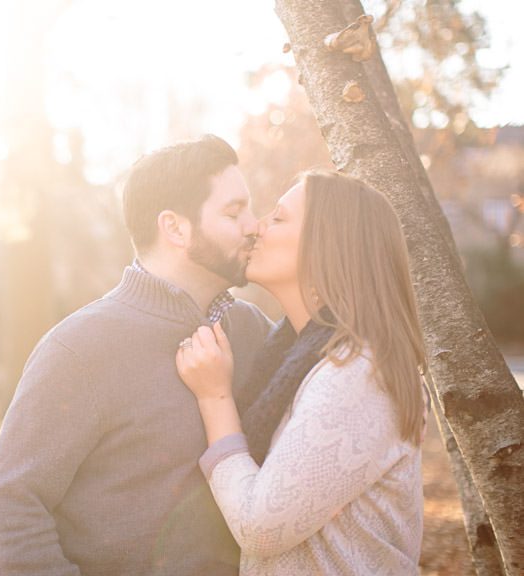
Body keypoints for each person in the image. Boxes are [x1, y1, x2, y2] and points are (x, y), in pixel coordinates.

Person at [0, 135, 272, 575]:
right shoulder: (80, 349)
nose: (254, 226)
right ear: (175, 228)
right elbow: (9, 506)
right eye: (233, 212)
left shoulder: (253, 332)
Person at [176, 170, 426, 574]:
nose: (256, 228)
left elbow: (261, 528)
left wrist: (214, 397)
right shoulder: (297, 357)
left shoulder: (358, 374)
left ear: (327, 245)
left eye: (277, 218)